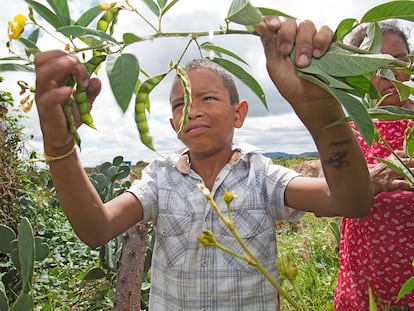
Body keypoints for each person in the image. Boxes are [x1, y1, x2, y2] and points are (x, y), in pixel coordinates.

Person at [35, 16, 374, 310]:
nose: (192, 110)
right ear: (172, 125)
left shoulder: (261, 175)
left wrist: (321, 113)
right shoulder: (160, 178)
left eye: (208, 98)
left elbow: (350, 201)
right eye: (180, 104)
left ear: (239, 113)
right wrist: (60, 145)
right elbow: (97, 229)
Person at [334, 22, 414, 310]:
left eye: (398, 61)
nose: (390, 73)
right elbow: (331, 197)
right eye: (375, 63)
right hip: (362, 282)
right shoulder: (349, 130)